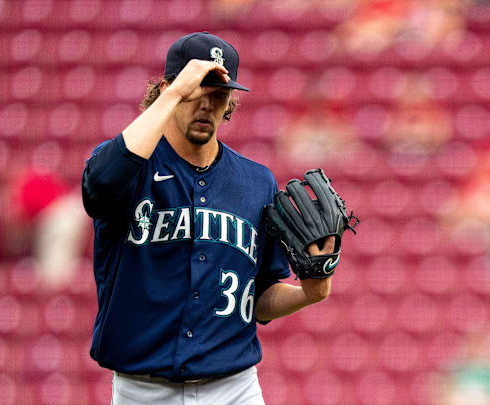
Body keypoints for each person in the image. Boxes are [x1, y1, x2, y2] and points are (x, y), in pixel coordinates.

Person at [81, 31, 336, 405]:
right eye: (195, 92)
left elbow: (259, 295)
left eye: (218, 95)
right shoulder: (127, 165)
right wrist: (171, 96)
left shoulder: (256, 181)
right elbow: (97, 189)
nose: (206, 105)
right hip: (143, 390)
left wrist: (309, 294)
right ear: (169, 89)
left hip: (235, 388)